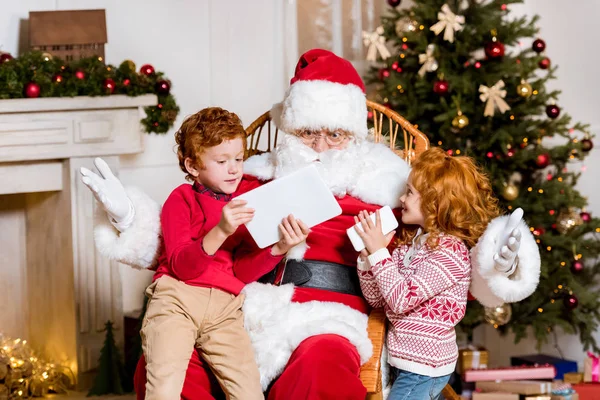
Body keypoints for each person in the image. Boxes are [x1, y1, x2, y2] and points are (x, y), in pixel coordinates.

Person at [82, 49, 541, 400]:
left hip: (330, 314)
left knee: (320, 366)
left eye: (335, 134)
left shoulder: (391, 187)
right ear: (291, 131)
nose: (320, 145)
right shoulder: (249, 176)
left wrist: (501, 263)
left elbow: (447, 248)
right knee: (167, 368)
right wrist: (128, 218)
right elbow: (186, 243)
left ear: (354, 135)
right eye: (308, 132)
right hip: (240, 307)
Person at [82, 107, 309, 400]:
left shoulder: (245, 201)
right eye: (222, 161)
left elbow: (240, 273)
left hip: (226, 308)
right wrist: (221, 229)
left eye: (239, 159)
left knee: (249, 392)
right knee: (163, 387)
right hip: (177, 299)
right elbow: (182, 266)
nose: (234, 169)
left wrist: (279, 248)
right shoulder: (181, 199)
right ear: (192, 166)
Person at [354, 148, 501, 399]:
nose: (401, 198)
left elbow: (401, 299)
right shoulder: (412, 246)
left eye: (410, 192)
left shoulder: (450, 253)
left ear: (435, 202)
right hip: (404, 363)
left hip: (424, 369)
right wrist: (368, 259)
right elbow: (379, 300)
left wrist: (380, 253)